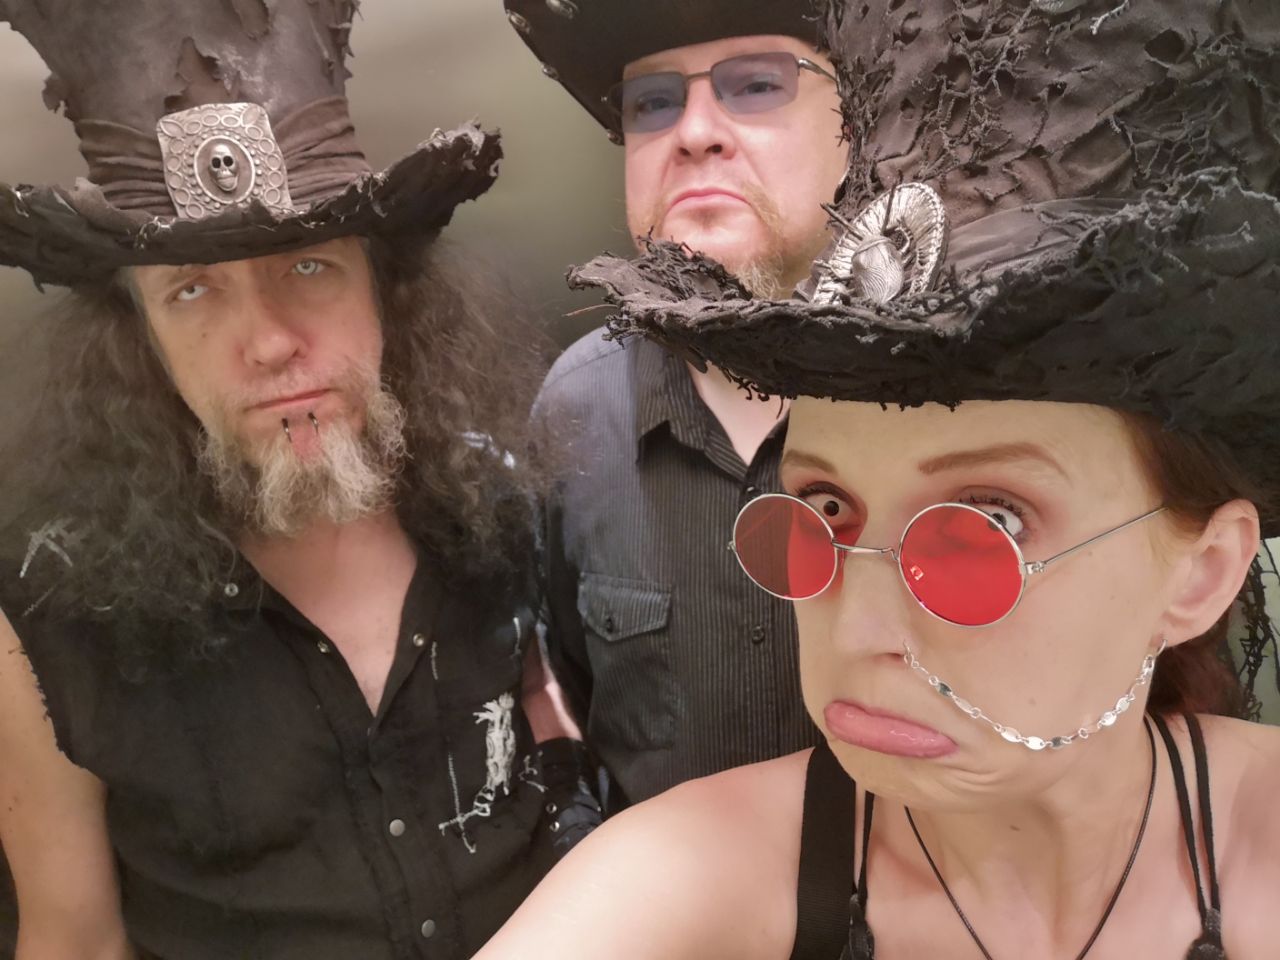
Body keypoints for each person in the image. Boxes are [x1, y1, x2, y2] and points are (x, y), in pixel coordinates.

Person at [475, 0, 1280, 956]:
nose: (854, 634)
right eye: (819, 510)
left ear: (1203, 572)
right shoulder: (700, 867)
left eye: (989, 523)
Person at [0, 2, 582, 958]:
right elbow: (74, 938)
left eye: (309, 267)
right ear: (141, 342)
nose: (270, 343)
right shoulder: (45, 618)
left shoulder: (497, 507)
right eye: (193, 290)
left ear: (386, 295)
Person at [504, 0, 849, 808]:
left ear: (854, 126)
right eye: (653, 102)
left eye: (756, 85)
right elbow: (579, 687)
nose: (693, 132)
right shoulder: (576, 410)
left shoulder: (955, 399)